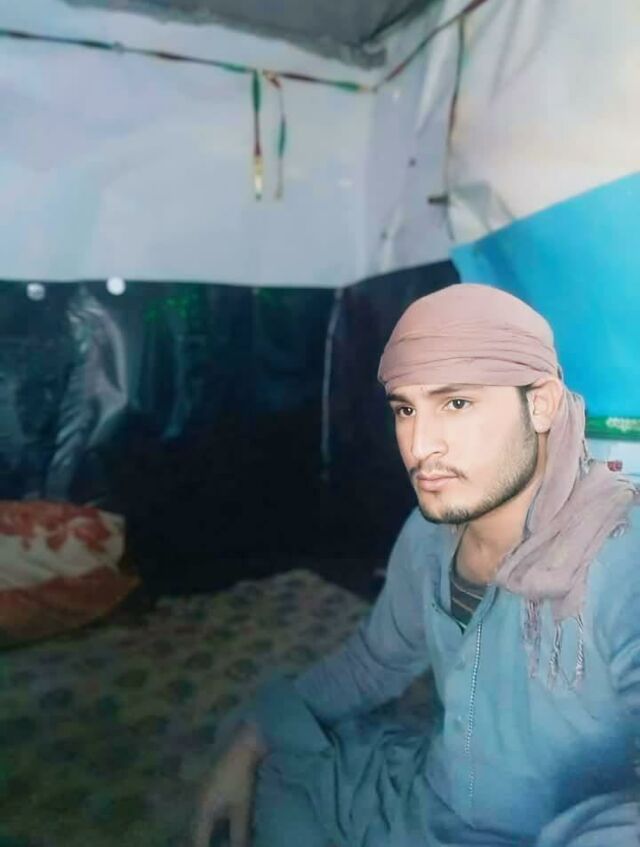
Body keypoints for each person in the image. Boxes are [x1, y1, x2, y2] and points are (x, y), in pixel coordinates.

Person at [193, 283, 639, 847]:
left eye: (457, 403)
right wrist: (254, 737)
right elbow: (375, 661)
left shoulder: (621, 557)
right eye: (406, 409)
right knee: (265, 756)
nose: (420, 445)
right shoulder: (430, 534)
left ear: (541, 404)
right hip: (434, 805)